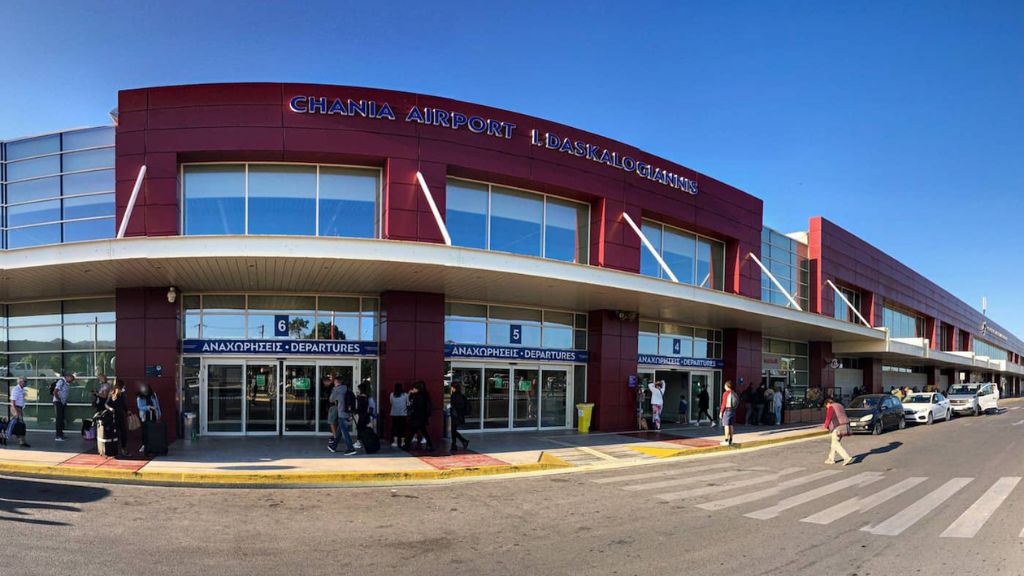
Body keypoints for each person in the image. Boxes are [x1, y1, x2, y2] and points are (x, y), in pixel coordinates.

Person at [328, 378, 357, 455]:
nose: (333, 383)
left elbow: (331, 399)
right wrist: (351, 414)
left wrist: (334, 389)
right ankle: (333, 446)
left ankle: (351, 448)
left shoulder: (337, 390)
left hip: (342, 413)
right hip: (347, 413)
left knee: (344, 432)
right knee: (339, 431)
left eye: (334, 382)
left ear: (336, 382)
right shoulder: (347, 389)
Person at [823, 397, 854, 465]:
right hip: (845, 426)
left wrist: (826, 426)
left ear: (828, 403)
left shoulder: (831, 407)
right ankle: (831, 459)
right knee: (834, 443)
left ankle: (846, 457)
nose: (827, 408)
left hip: (838, 427)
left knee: (835, 444)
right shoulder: (840, 405)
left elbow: (828, 417)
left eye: (826, 406)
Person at [407, 380, 434, 451]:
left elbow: (414, 405)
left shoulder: (418, 396)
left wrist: (410, 394)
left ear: (417, 388)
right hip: (421, 417)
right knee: (422, 431)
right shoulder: (424, 394)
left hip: (417, 417)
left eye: (414, 388)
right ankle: (430, 445)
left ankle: (407, 445)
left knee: (413, 431)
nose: (413, 389)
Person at [135, 382, 162, 454]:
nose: (145, 390)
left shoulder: (153, 395)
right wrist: (148, 407)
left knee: (152, 430)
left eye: (146, 389)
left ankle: (152, 445)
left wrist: (159, 413)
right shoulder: (139, 397)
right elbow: (140, 407)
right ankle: (144, 445)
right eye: (144, 389)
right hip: (144, 416)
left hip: (153, 415)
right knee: (144, 431)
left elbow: (157, 404)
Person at [105, 381, 129, 457]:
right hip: (113, 417)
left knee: (123, 433)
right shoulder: (112, 394)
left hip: (121, 416)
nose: (124, 389)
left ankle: (123, 448)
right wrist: (110, 409)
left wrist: (127, 411)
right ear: (120, 387)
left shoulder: (122, 395)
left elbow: (123, 405)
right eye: (123, 387)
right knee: (114, 434)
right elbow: (106, 404)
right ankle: (113, 450)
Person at [7, 376, 30, 448]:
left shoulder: (21, 389)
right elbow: (13, 402)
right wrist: (16, 411)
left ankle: (22, 440)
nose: (26, 383)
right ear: (20, 382)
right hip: (16, 408)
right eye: (25, 381)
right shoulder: (16, 389)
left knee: (20, 425)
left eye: (26, 381)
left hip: (19, 408)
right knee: (21, 425)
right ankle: (21, 441)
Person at [449, 381, 470, 452]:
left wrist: (451, 407)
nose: (451, 388)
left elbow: (454, 406)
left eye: (452, 387)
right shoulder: (461, 395)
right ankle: (458, 443)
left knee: (453, 431)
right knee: (453, 431)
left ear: (454, 388)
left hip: (455, 416)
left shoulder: (454, 395)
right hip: (459, 415)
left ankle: (457, 444)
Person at [52, 372, 73, 441]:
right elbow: (55, 391)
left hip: (62, 403)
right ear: (67, 377)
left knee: (62, 419)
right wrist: (59, 400)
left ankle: (61, 434)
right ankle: (58, 436)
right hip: (58, 402)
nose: (71, 381)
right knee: (59, 419)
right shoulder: (61, 382)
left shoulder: (66, 383)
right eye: (71, 379)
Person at [389, 382, 409, 449]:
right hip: (403, 414)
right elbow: (408, 403)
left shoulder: (392, 394)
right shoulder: (405, 395)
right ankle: (403, 442)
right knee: (402, 428)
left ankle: (395, 442)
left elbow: (391, 402)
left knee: (395, 428)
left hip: (394, 414)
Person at [719, 380, 739, 446]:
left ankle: (726, 440)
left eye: (724, 385)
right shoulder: (734, 393)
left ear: (726, 386)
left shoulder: (726, 393)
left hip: (727, 411)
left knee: (726, 425)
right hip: (732, 410)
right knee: (731, 425)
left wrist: (721, 412)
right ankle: (731, 440)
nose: (724, 386)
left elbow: (724, 404)